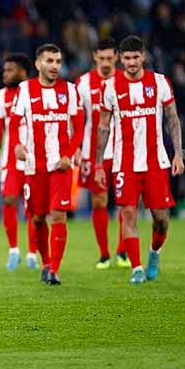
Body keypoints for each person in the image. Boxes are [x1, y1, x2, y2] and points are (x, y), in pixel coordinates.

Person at [94, 35, 184, 284]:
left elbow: (173, 119)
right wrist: (100, 163)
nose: (131, 62)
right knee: (129, 214)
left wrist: (177, 153)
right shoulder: (110, 87)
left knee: (161, 219)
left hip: (156, 162)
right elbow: (103, 126)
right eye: (127, 58)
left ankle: (154, 253)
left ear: (143, 56)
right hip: (125, 163)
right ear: (120, 59)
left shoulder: (159, 82)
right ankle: (136, 269)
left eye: (136, 57)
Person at [12, 43, 84, 286]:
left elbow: (79, 126)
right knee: (38, 219)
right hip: (34, 164)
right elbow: (13, 125)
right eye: (50, 61)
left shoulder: (71, 90)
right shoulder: (25, 89)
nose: (55, 66)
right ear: (37, 64)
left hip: (61, 165)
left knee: (58, 215)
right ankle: (45, 262)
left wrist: (70, 153)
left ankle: (54, 269)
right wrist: (17, 146)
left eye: (58, 62)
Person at [75, 38, 129, 269]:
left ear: (116, 57)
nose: (106, 63)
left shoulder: (125, 81)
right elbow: (76, 119)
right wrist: (75, 147)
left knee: (125, 202)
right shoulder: (83, 83)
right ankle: (104, 253)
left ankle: (122, 251)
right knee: (99, 202)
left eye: (110, 58)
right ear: (95, 56)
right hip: (91, 151)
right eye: (102, 58)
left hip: (120, 150)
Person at [0, 54, 38, 271]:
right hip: (10, 160)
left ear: (23, 72)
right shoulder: (1, 96)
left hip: (36, 158)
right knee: (9, 200)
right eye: (4, 70)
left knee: (34, 208)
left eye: (10, 70)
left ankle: (33, 253)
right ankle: (14, 250)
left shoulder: (37, 92)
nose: (5, 74)